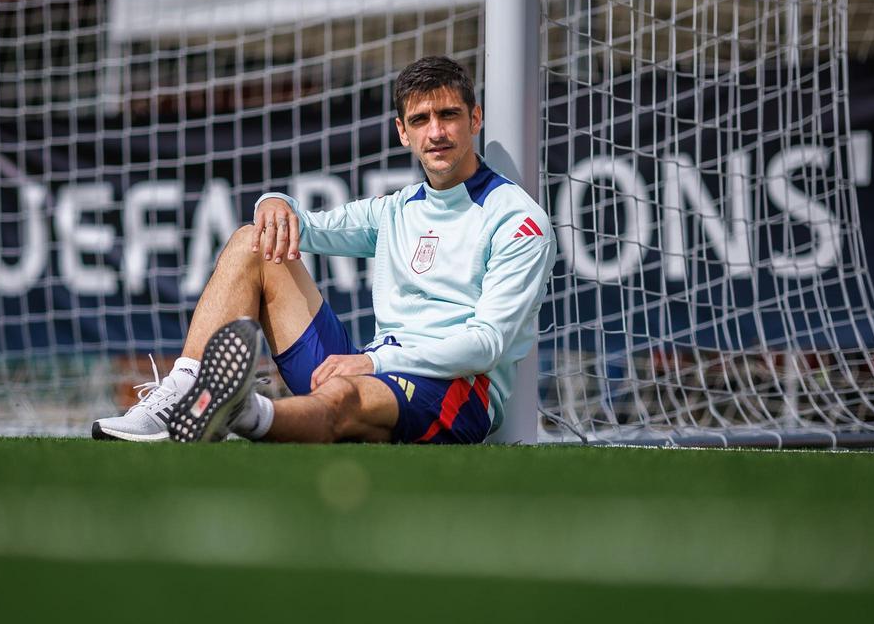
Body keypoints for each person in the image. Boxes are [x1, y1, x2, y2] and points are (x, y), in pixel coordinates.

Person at [92, 55, 555, 444]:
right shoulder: (397, 208)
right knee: (253, 241)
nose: (436, 132)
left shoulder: (517, 219)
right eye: (420, 120)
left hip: (455, 392)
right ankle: (185, 393)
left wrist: (373, 362)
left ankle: (236, 411)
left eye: (448, 115)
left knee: (344, 398)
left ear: (474, 119)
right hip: (374, 368)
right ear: (402, 132)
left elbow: (486, 345)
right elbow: (302, 226)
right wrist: (272, 201)